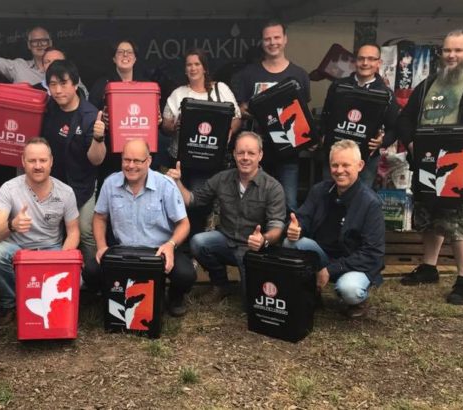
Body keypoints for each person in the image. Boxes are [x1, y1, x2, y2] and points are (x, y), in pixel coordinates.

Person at [396, 29, 463, 304]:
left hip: (461, 162)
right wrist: (410, 143)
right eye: (447, 50)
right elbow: (406, 118)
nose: (452, 55)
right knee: (428, 216)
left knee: (459, 222)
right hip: (427, 161)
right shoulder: (427, 84)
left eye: (458, 50)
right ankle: (429, 268)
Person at [167, 131, 286, 303]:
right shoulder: (222, 178)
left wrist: (263, 240)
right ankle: (221, 285)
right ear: (234, 154)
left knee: (250, 304)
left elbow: (277, 228)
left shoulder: (273, 187)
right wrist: (177, 182)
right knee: (199, 242)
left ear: (260, 155)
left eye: (251, 153)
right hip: (226, 240)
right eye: (241, 152)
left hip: (252, 249)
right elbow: (193, 200)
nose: (245, 157)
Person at [88, 139, 196, 316]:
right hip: (124, 250)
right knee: (91, 271)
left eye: (137, 161)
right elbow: (99, 217)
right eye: (126, 160)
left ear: (149, 161)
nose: (131, 166)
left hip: (158, 250)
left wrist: (170, 245)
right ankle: (110, 295)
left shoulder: (165, 185)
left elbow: (184, 223)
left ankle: (175, 297)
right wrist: (101, 247)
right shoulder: (110, 184)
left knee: (186, 275)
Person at [284, 140, 385, 318]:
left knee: (350, 290)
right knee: (291, 241)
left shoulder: (371, 203)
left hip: (354, 262)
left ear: (360, 166)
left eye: (346, 165)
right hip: (323, 255)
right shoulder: (319, 190)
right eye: (335, 165)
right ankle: (310, 293)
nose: (339, 170)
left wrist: (331, 270)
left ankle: (359, 301)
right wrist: (296, 227)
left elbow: (372, 252)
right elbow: (303, 217)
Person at [0, 137, 80, 324]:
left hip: (50, 250)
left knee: (79, 281)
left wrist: (63, 259)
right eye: (32, 161)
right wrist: (12, 225)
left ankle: (39, 301)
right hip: (18, 250)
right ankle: (11, 302)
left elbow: (74, 231)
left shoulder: (65, 192)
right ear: (23, 162)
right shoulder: (9, 189)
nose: (38, 166)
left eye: (43, 160)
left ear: (51, 161)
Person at [162, 49, 242, 242]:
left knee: (198, 203)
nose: (193, 68)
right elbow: (165, 125)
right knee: (178, 203)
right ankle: (182, 245)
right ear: (185, 69)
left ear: (205, 67)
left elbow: (237, 117)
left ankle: (195, 244)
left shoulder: (220, 89)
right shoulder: (178, 93)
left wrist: (228, 132)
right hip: (181, 160)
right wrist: (174, 124)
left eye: (197, 64)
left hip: (208, 160)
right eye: (189, 64)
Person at [233, 20, 310, 212]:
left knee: (289, 202)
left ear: (285, 40)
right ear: (262, 42)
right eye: (267, 39)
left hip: (288, 151)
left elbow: (303, 113)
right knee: (255, 202)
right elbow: (241, 110)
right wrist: (256, 112)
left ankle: (286, 241)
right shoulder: (249, 74)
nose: (272, 42)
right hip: (257, 151)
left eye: (276, 37)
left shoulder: (299, 74)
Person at [41, 60, 106, 269]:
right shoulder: (46, 107)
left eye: (63, 83)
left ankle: (94, 279)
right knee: (53, 230)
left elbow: (96, 159)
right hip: (50, 183)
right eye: (52, 85)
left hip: (81, 184)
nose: (58, 90)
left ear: (75, 84)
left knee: (86, 231)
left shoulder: (89, 115)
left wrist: (98, 138)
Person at [319, 43, 400, 187]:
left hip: (366, 161)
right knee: (328, 200)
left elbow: (394, 128)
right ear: (355, 61)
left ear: (379, 63)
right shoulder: (338, 87)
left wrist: (383, 141)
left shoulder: (386, 94)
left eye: (371, 59)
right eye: (361, 58)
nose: (365, 63)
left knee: (360, 203)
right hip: (335, 158)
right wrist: (322, 135)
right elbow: (325, 116)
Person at [88, 40, 150, 197]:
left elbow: (154, 116)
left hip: (138, 154)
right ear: (114, 58)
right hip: (110, 154)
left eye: (129, 52)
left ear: (135, 58)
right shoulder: (101, 84)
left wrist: (157, 120)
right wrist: (101, 120)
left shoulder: (145, 85)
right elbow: (90, 115)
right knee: (109, 197)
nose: (125, 55)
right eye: (120, 52)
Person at [0, 14, 50, 85]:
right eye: (35, 41)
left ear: (50, 43)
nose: (39, 45)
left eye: (43, 41)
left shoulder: (61, 67)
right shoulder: (19, 67)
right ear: (29, 45)